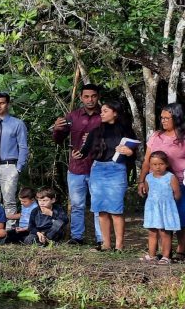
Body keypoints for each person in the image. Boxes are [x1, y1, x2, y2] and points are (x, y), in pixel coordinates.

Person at [76, 100, 138, 251]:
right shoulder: (95, 131)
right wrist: (78, 154)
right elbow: (84, 151)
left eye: (105, 111)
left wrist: (129, 152)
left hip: (117, 170)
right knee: (101, 209)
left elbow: (133, 153)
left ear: (115, 113)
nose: (101, 113)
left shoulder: (125, 130)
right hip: (97, 170)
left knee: (116, 210)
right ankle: (106, 244)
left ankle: (119, 246)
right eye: (101, 111)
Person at [53, 84, 103, 245]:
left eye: (93, 96)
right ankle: (77, 237)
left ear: (98, 96)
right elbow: (58, 140)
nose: (90, 99)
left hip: (99, 166)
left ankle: (101, 239)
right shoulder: (73, 116)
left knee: (98, 205)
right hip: (76, 167)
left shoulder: (104, 115)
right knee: (77, 205)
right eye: (86, 96)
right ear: (81, 97)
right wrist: (57, 129)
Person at [138, 103, 185, 260]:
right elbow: (146, 161)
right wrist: (142, 181)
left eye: (167, 118)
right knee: (159, 221)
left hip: (178, 181)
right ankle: (163, 253)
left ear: (177, 118)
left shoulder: (183, 138)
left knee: (179, 217)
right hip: (156, 184)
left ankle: (180, 250)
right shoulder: (156, 136)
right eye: (162, 118)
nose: (163, 121)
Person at [140, 151, 181, 264]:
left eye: (161, 164)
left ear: (166, 164)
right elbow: (148, 192)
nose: (157, 167)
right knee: (152, 232)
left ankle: (166, 256)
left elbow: (177, 194)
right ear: (150, 165)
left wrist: (169, 204)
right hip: (152, 210)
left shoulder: (170, 177)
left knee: (164, 233)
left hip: (166, 210)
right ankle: (152, 255)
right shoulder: (148, 178)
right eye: (154, 164)